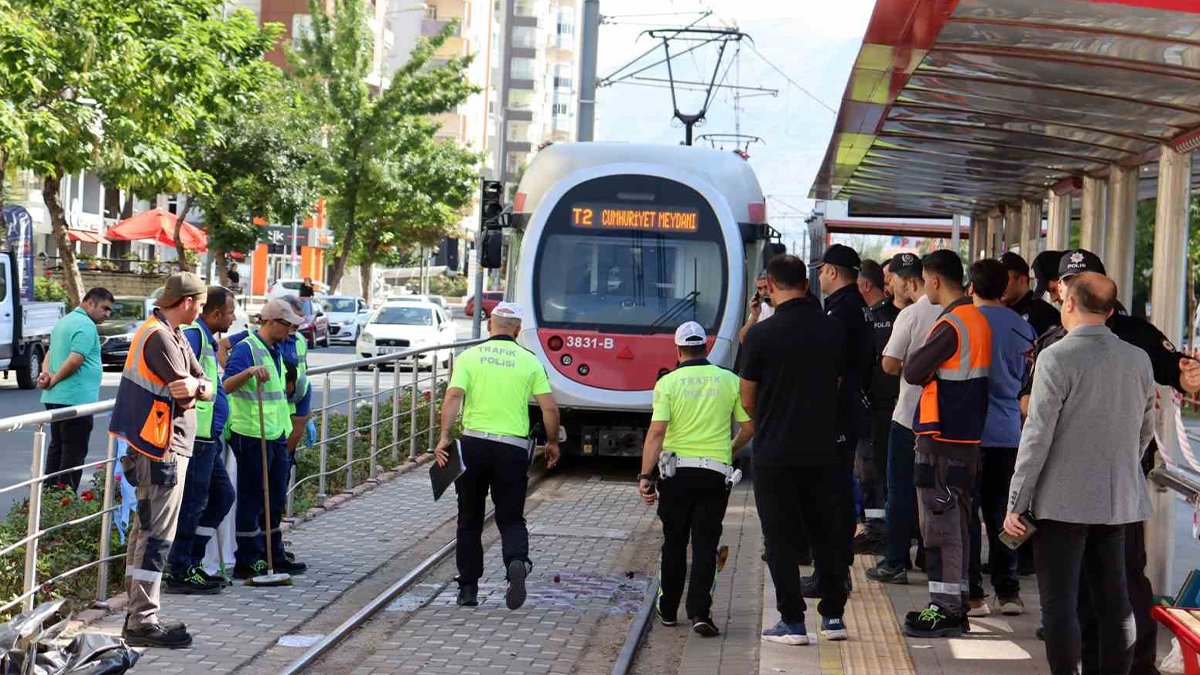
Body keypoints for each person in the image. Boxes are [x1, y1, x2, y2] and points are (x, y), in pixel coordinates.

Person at [1020, 249, 1200, 674]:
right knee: (1084, 590)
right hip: (1101, 486)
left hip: (1101, 491)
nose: (1065, 289)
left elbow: (1174, 369)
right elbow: (1027, 404)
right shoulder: (1051, 339)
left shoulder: (1135, 336)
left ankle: (1136, 666)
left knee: (1122, 581)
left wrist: (1185, 376)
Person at [1004, 272, 1156, 675]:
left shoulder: (1057, 356)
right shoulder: (1138, 358)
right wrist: (1120, 467)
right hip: (1118, 502)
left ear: (1069, 303)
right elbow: (1146, 430)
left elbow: (1037, 436)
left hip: (1061, 502)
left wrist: (1017, 502)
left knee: (1060, 602)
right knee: (1115, 599)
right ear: (1109, 310)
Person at [740, 254, 849, 645]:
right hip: (823, 447)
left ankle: (793, 621)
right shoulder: (832, 329)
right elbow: (838, 383)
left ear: (769, 283)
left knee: (780, 538)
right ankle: (834, 618)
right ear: (806, 282)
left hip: (774, 450)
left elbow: (747, 398)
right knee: (828, 531)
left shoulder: (760, 335)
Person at [108, 273, 214, 648]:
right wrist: (198, 389)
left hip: (158, 447)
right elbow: (186, 395)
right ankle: (142, 620)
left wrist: (199, 387)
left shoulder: (171, 332)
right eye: (200, 304)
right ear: (186, 301)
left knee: (146, 533)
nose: (202, 310)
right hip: (160, 448)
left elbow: (202, 385)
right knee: (155, 538)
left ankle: (139, 615)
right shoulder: (161, 337)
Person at [434, 302, 561, 610]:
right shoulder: (529, 361)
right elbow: (549, 408)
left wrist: (444, 437)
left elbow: (453, 397)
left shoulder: (469, 357)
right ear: (517, 331)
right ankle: (516, 561)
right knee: (510, 517)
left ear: (490, 325)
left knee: (469, 520)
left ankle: (468, 589)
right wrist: (553, 442)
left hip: (474, 445)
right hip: (512, 449)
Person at [638, 321, 754, 637]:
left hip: (673, 467)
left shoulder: (668, 383)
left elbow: (657, 432)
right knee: (705, 543)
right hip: (714, 471)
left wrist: (646, 476)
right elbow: (748, 427)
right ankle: (701, 612)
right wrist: (727, 450)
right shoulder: (729, 380)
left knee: (674, 541)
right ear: (706, 347)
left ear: (677, 350)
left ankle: (668, 609)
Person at [901, 249, 991, 638]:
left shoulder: (951, 324)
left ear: (935, 280)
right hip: (966, 441)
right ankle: (956, 603)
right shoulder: (978, 320)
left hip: (941, 442)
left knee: (940, 528)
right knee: (958, 525)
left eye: (925, 282)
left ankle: (945, 609)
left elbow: (913, 369)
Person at [866, 253, 943, 585]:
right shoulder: (958, 313)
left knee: (900, 489)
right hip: (945, 419)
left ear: (910, 281)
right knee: (937, 490)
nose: (889, 284)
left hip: (909, 415)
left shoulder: (910, 315)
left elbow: (889, 364)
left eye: (892, 279)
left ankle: (895, 561)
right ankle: (930, 556)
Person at [964, 259, 1035, 618]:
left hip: (967, 434)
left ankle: (973, 594)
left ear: (971, 287)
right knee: (1005, 514)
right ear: (1004, 288)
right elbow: (1027, 380)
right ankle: (1008, 592)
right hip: (1008, 432)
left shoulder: (963, 322)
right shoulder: (1024, 329)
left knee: (967, 515)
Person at [223, 299, 308, 581]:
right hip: (250, 433)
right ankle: (248, 559)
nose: (291, 331)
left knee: (274, 498)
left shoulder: (276, 349)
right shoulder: (247, 349)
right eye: (287, 325)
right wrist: (248, 373)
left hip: (274, 433)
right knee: (253, 498)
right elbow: (225, 385)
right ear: (271, 322)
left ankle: (274, 554)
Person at [806, 243, 873, 597]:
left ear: (832, 272)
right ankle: (835, 569)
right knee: (839, 491)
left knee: (830, 494)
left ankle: (831, 574)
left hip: (837, 415)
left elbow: (833, 370)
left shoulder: (840, 313)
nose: (818, 276)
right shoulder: (855, 308)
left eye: (821, 270)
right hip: (848, 412)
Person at [164, 287, 237, 595]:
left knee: (222, 496)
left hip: (209, 436)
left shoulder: (206, 339)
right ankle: (180, 570)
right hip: (196, 437)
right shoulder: (194, 335)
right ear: (216, 313)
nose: (234, 319)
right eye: (231, 312)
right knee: (193, 504)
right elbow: (179, 380)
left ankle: (191, 560)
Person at [38, 287, 113, 491]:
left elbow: (50, 354)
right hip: (76, 399)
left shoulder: (64, 321)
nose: (107, 314)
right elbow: (75, 359)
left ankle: (50, 494)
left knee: (58, 448)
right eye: (105, 308)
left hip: (57, 397)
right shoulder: (86, 325)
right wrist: (52, 380)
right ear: (89, 302)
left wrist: (47, 375)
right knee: (73, 452)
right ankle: (64, 500)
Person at [854, 259, 900, 554]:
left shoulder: (872, 319)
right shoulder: (899, 314)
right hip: (893, 406)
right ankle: (880, 529)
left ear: (865, 285)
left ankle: (878, 532)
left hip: (877, 408)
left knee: (873, 471)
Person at [1000, 252, 1061, 338]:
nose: (999, 284)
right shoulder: (999, 311)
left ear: (1022, 280)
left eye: (1004, 279)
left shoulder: (1044, 314)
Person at [738, 271, 774, 343]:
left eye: (766, 287)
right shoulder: (760, 308)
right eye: (760, 289)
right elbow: (743, 339)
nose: (763, 292)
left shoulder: (785, 307)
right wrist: (754, 317)